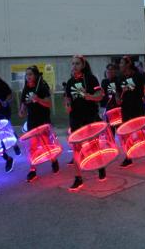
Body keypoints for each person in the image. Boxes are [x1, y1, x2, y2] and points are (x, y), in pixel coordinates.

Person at [65, 55, 104, 190]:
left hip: (90, 116)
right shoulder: (70, 82)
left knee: (94, 145)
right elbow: (67, 99)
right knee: (76, 147)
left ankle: (100, 166)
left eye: (77, 64)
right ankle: (78, 178)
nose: (74, 66)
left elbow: (100, 96)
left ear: (83, 65)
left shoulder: (91, 79)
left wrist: (89, 96)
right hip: (75, 118)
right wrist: (68, 104)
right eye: (72, 64)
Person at [18, 66, 58, 182]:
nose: (28, 77)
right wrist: (22, 110)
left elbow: (48, 104)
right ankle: (32, 169)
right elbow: (23, 103)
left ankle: (54, 161)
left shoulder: (42, 86)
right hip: (32, 120)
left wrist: (38, 99)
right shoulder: (26, 88)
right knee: (32, 145)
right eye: (27, 75)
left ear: (35, 75)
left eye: (30, 74)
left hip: (43, 119)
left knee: (47, 143)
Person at [117, 56, 145, 167]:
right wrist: (118, 98)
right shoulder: (120, 77)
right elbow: (117, 91)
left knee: (141, 131)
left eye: (122, 63)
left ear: (128, 64)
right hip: (125, 108)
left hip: (138, 107)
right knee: (126, 134)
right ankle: (128, 157)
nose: (120, 65)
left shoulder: (139, 75)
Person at [0, 68, 21, 155]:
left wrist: (5, 102)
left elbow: (10, 94)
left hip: (3, 111)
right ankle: (3, 150)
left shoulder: (1, 84)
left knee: (7, 129)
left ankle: (15, 146)